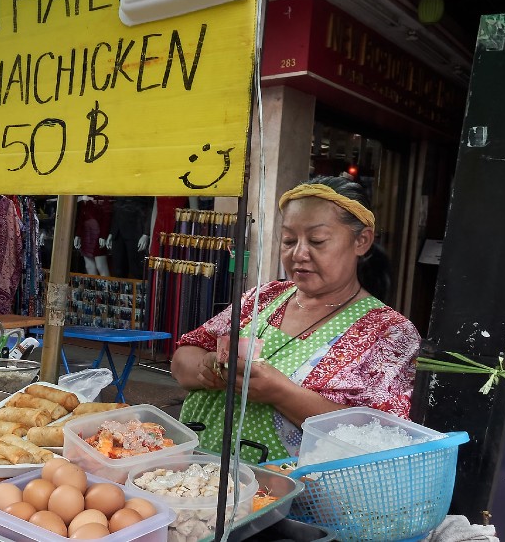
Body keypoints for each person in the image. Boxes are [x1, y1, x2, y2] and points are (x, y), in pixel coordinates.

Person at [171, 175, 420, 461]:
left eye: (317, 240)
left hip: (293, 497)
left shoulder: (390, 333)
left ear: (361, 241)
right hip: (193, 478)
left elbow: (384, 438)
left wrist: (281, 393)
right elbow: (182, 359)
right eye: (289, 240)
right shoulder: (263, 297)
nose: (299, 254)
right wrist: (207, 368)